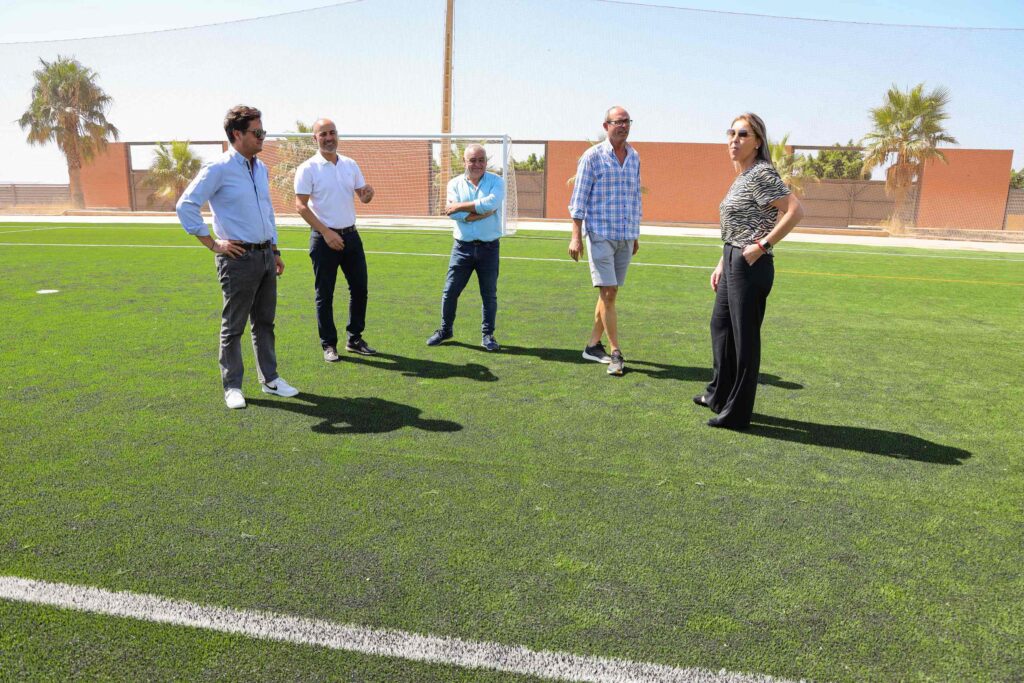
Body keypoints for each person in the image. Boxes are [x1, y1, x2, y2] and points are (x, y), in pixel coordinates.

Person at [176, 105, 299, 409]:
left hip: (265, 256)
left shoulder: (261, 168)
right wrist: (213, 244)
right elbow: (186, 205)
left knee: (265, 322)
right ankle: (232, 386)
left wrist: (275, 249)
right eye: (257, 133)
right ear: (237, 134)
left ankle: (270, 379)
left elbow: (267, 212)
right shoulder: (218, 168)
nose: (262, 138)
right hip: (238, 258)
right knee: (234, 326)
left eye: (263, 132)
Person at [694, 112, 804, 429]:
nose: (734, 140)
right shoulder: (743, 175)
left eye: (743, 134)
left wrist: (764, 245)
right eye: (732, 133)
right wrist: (722, 261)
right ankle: (718, 394)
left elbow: (795, 211)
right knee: (721, 328)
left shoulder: (760, 174)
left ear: (757, 142)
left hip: (750, 263)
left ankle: (738, 413)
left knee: (745, 340)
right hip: (732, 259)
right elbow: (736, 224)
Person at [294, 118, 377, 362]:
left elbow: (363, 197)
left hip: (351, 236)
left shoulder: (350, 164)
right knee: (325, 294)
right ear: (315, 139)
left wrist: (367, 194)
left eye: (332, 133)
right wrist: (327, 233)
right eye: (323, 134)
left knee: (360, 289)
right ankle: (328, 344)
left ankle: (355, 338)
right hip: (323, 239)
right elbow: (300, 206)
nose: (329, 138)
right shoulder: (307, 168)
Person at [568, 106, 641, 376]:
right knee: (608, 293)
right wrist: (576, 236)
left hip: (625, 234)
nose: (623, 125)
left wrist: (635, 234)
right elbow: (578, 201)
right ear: (606, 125)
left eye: (626, 121)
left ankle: (591, 345)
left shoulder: (634, 157)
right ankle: (616, 353)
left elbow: (635, 197)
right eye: (618, 122)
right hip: (600, 234)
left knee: (610, 293)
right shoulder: (592, 157)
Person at [426, 144, 506, 352]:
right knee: (450, 291)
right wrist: (478, 212)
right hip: (462, 248)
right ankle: (445, 330)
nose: (477, 164)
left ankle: (487, 335)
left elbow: (492, 202)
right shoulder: (454, 184)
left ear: (486, 162)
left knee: (489, 294)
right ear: (464, 162)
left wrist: (461, 207)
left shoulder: (497, 182)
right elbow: (453, 214)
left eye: (481, 160)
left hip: (489, 248)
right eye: (472, 160)